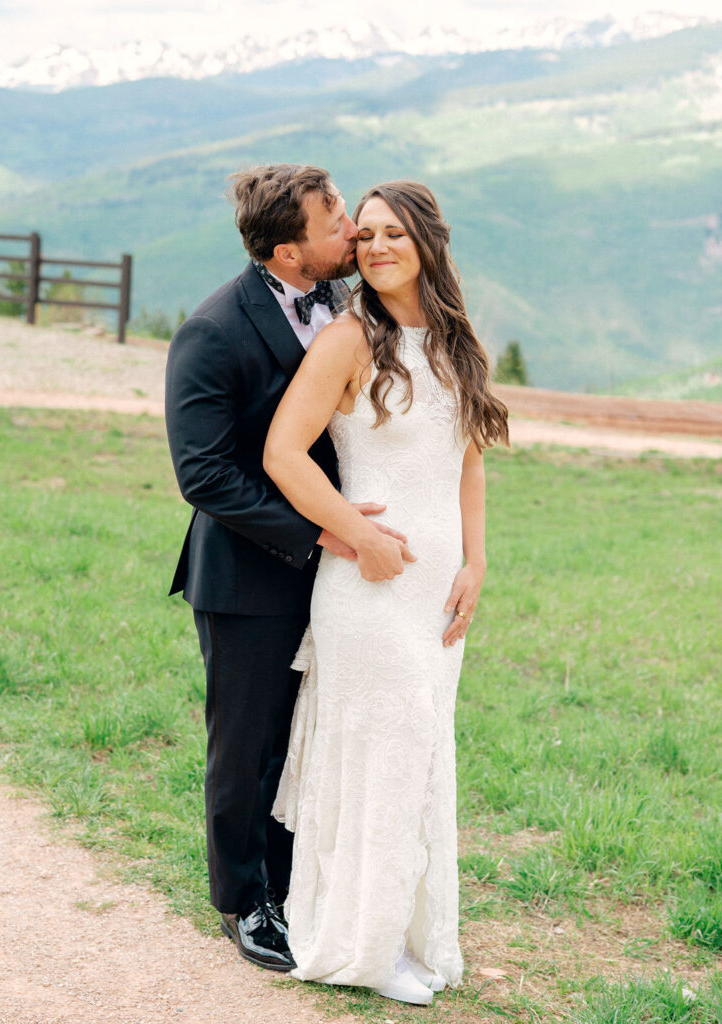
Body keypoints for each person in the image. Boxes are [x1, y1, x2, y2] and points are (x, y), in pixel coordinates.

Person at [264, 181, 510, 1004]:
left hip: (438, 594)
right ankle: (363, 947)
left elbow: (469, 458)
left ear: (429, 242)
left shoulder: (454, 340)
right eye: (363, 236)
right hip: (367, 592)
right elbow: (283, 454)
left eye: (392, 234)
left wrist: (476, 562)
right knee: (381, 757)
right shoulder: (347, 339)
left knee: (420, 756)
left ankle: (407, 934)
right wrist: (359, 535)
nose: (374, 248)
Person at [164, 164, 413, 974]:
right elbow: (202, 474)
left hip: (339, 572)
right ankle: (242, 905)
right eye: (333, 218)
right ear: (287, 251)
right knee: (248, 745)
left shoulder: (346, 306)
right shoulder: (213, 331)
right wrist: (318, 535)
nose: (350, 226)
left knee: (308, 735)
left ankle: (294, 883)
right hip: (248, 576)